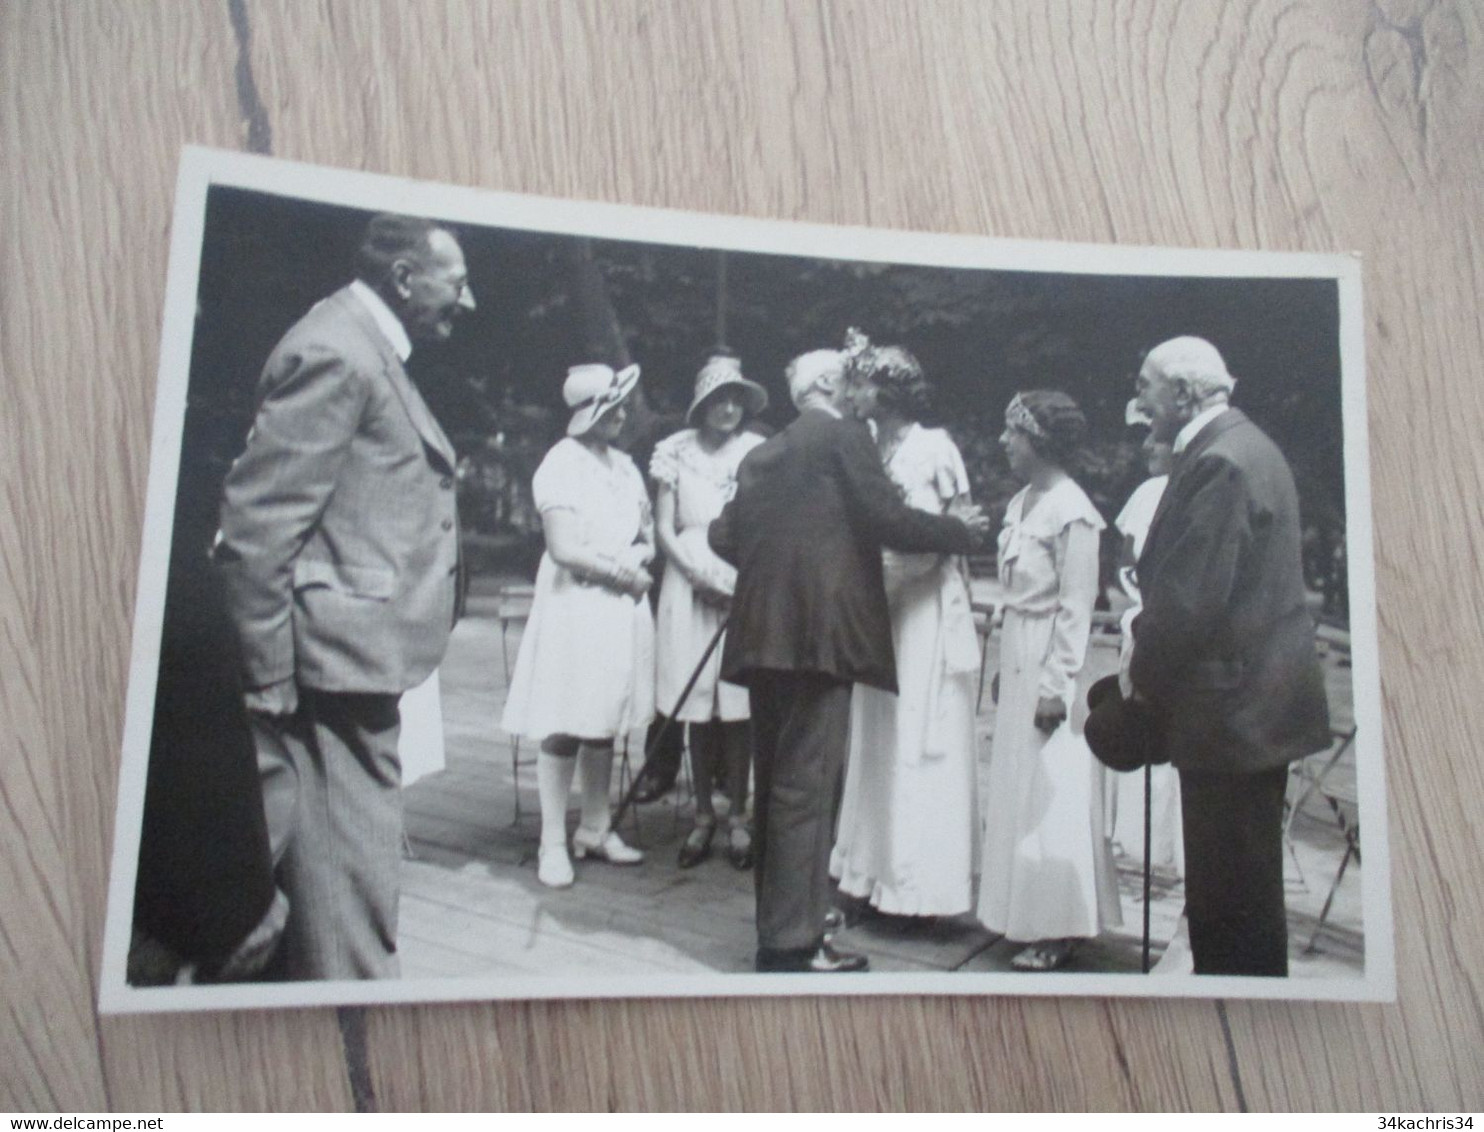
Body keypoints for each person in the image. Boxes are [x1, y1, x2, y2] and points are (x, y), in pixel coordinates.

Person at [215, 213, 475, 979]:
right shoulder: (337, 352)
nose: (468, 301)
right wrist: (268, 678)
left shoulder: (363, 348)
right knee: (349, 919)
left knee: (341, 900)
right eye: (456, 282)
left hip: (353, 662)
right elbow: (257, 528)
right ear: (404, 277)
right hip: (330, 674)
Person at [709, 347, 986, 973]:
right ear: (833, 384)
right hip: (820, 641)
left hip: (760, 640)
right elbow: (886, 518)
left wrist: (776, 570)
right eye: (852, 379)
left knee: (776, 786)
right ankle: (795, 946)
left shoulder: (763, 453)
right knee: (809, 791)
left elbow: (721, 535)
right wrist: (958, 530)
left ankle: (778, 933)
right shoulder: (844, 439)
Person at [1129, 336, 1330, 976]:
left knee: (1229, 909)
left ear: (1183, 394)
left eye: (1144, 389)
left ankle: (1241, 1024)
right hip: (1252, 711)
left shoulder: (1221, 462)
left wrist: (1136, 689)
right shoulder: (1246, 446)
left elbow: (1188, 604)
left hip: (1231, 717)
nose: (1138, 405)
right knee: (1242, 901)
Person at [829, 339, 981, 916]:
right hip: (880, 609)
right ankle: (870, 874)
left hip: (921, 609)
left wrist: (880, 582)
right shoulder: (864, 447)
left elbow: (956, 535)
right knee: (877, 734)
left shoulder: (934, 448)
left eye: (862, 384)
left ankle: (921, 887)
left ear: (887, 391)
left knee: (919, 732)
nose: (853, 394)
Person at [976, 390, 1120, 971]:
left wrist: (1055, 686)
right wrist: (1006, 672)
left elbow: (1076, 606)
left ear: (1039, 439)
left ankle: (1059, 925)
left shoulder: (1073, 510)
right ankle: (1023, 913)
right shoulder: (1023, 502)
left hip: (1049, 660)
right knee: (1016, 784)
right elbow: (1015, 598)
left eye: (1014, 433)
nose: (1005, 443)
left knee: (1050, 789)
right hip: (1017, 652)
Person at [502, 363, 655, 889]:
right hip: (579, 602)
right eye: (610, 408)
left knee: (605, 716)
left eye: (622, 407)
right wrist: (621, 573)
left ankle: (595, 825)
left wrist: (643, 555)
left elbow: (648, 531)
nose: (620, 416)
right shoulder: (560, 465)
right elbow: (564, 549)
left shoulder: (626, 466)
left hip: (621, 605)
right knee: (567, 716)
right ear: (586, 413)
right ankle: (552, 840)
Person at [650, 354, 767, 870]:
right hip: (687, 577)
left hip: (740, 576)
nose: (728, 408)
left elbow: (766, 522)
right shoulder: (674, 451)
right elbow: (663, 528)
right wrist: (694, 575)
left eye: (735, 398)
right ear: (702, 404)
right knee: (696, 702)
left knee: (736, 703)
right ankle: (701, 815)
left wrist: (738, 580)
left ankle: (739, 816)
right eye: (718, 398)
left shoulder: (758, 452)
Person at [1107, 430, 1183, 875]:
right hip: (1140, 621)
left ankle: (1171, 847)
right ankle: (1137, 841)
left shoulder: (1194, 495)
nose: (1146, 448)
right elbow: (1125, 561)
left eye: (1156, 441)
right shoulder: (1146, 494)